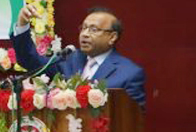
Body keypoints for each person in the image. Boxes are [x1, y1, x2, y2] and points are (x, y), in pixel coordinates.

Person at [9, 6, 146, 106]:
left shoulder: (129, 74)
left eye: (93, 29)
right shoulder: (69, 60)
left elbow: (131, 121)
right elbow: (30, 61)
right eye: (84, 28)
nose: (85, 34)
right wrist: (22, 24)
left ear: (112, 37)